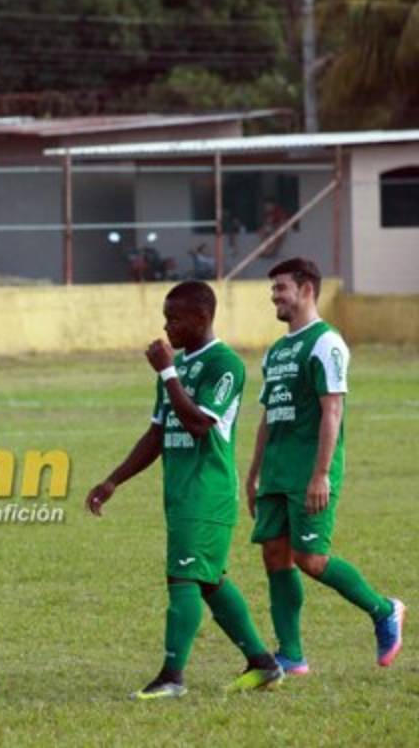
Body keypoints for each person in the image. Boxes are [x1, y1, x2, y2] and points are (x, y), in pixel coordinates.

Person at [86, 281, 283, 699]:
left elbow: (198, 423)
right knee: (208, 582)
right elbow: (158, 433)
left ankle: (172, 677)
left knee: (182, 578)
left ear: (201, 317)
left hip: (206, 491)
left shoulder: (225, 364)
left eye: (174, 318)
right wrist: (113, 480)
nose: (166, 326)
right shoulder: (177, 368)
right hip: (180, 493)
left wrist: (168, 371)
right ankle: (263, 663)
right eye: (165, 317)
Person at [246, 258, 404, 674]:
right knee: (275, 555)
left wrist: (321, 473)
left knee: (310, 559)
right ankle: (291, 655)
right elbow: (269, 415)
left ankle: (383, 609)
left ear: (306, 289)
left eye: (281, 288)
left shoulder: (326, 343)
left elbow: (332, 411)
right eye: (273, 289)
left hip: (309, 471)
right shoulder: (277, 350)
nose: (274, 296)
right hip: (276, 471)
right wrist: (253, 472)